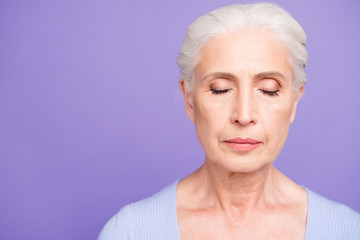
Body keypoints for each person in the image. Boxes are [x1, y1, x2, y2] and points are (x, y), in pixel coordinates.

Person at [98, 3, 360, 239]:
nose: (244, 115)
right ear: (189, 99)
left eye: (269, 89)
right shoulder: (130, 232)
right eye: (220, 89)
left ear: (294, 102)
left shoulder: (347, 230)